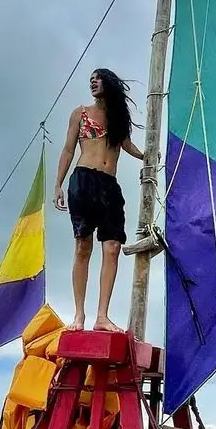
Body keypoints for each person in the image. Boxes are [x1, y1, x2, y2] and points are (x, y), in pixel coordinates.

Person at [53, 69, 144, 331]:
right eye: (90, 79)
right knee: (83, 247)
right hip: (83, 180)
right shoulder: (80, 113)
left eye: (98, 78)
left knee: (112, 247)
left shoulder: (118, 117)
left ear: (110, 83)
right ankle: (79, 316)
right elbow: (68, 149)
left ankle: (102, 316)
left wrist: (147, 155)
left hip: (109, 184)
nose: (93, 82)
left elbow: (127, 145)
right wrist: (58, 185)